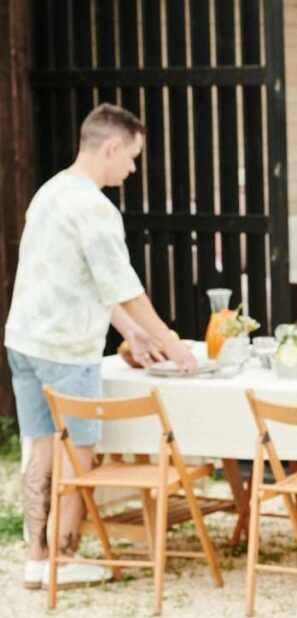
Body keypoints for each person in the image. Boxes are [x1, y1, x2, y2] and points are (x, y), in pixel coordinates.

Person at [5, 103, 197, 591]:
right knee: (78, 454)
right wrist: (171, 342)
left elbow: (83, 277)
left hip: (24, 340)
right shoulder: (95, 207)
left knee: (40, 447)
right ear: (111, 147)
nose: (132, 168)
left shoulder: (50, 192)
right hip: (67, 349)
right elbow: (125, 286)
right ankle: (63, 560)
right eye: (131, 157)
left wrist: (130, 332)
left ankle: (36, 557)